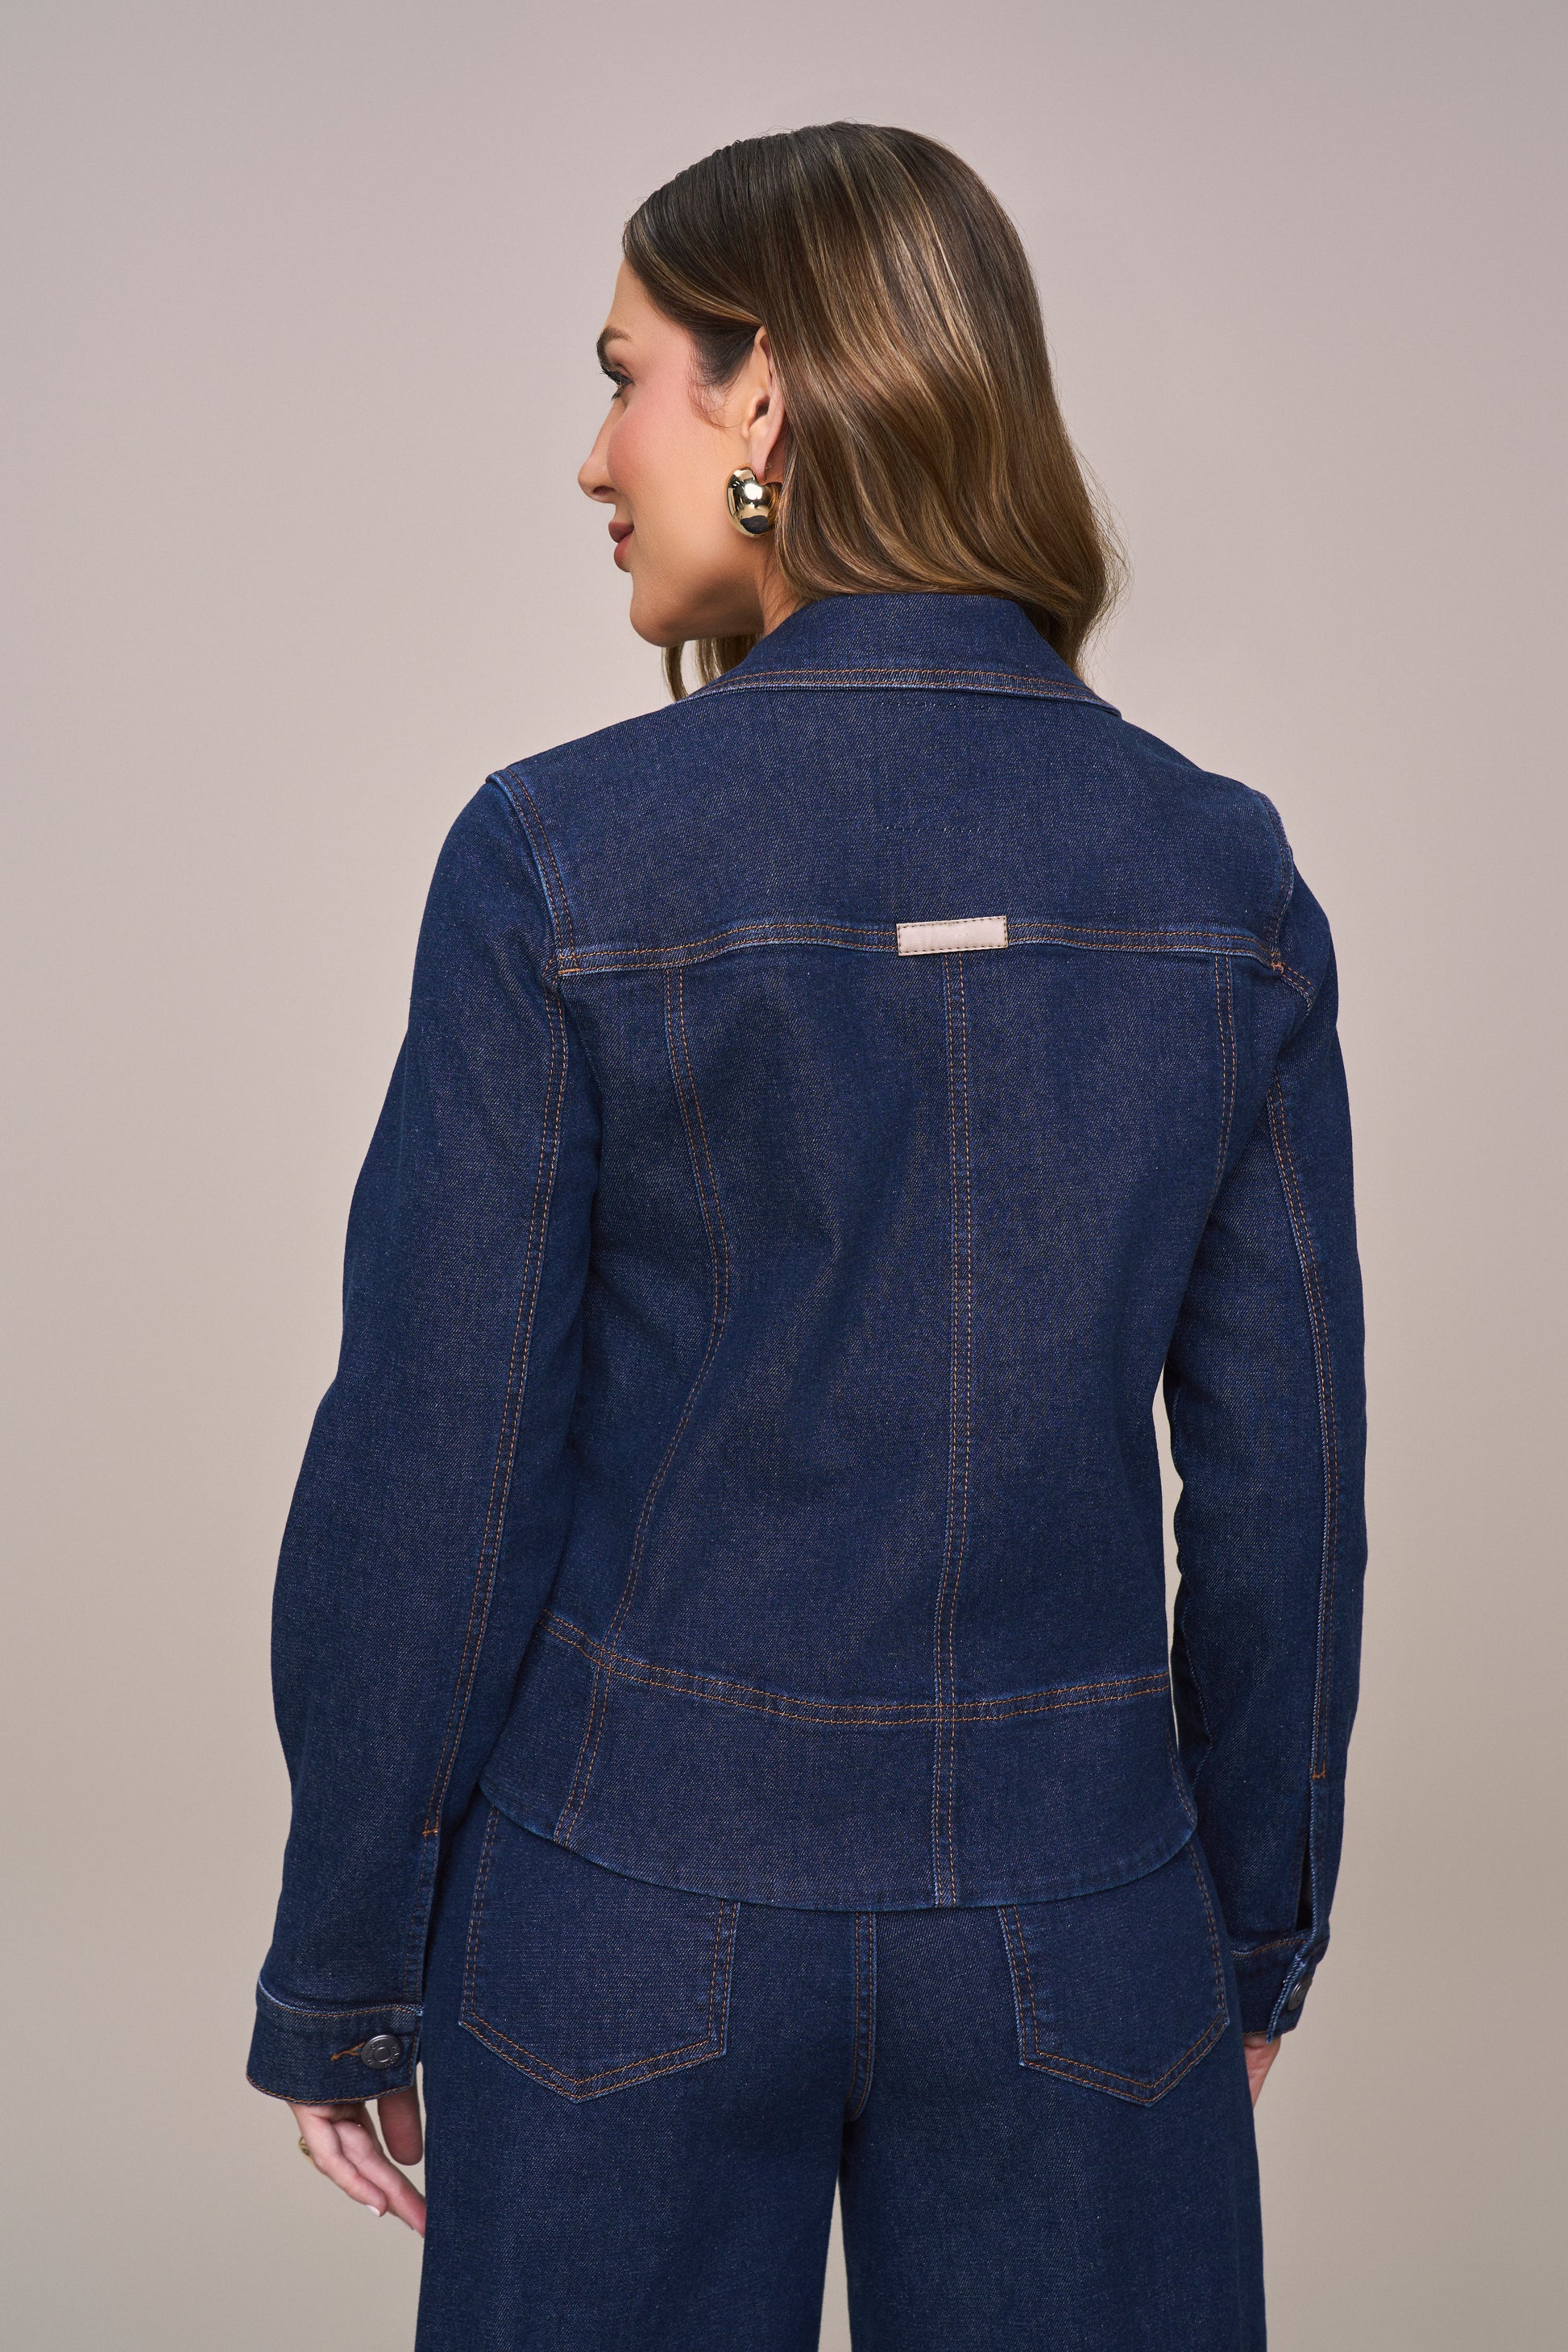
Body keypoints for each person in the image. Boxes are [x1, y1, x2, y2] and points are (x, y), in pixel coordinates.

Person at [247, 122, 1366, 2350]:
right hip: (1078, 1915)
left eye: (626, 379)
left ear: (763, 396)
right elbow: (1283, 1492)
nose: (595, 458)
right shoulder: (1216, 873)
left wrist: (347, 1958)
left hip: (622, 1907)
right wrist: (1243, 1933)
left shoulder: (560, 854)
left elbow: (441, 1453)